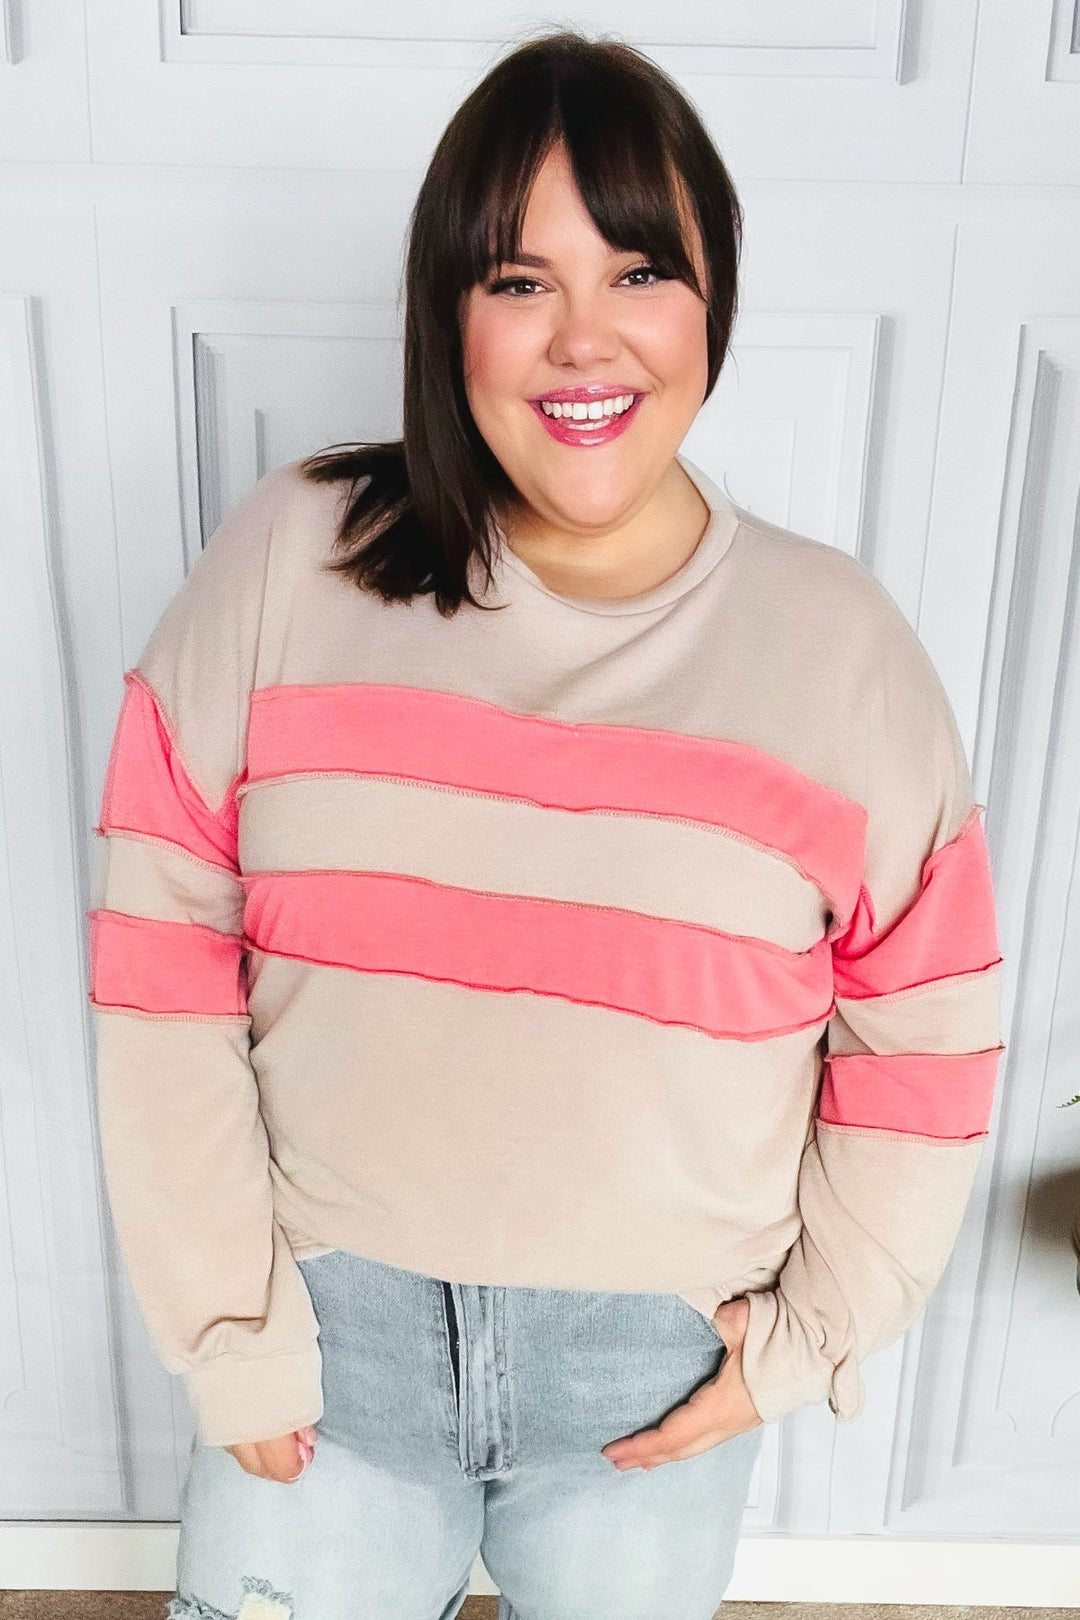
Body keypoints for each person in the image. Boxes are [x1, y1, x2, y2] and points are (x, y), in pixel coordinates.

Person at [86, 28, 1006, 1620]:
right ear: (448, 308)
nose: (586, 339)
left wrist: (812, 1338)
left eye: (640, 272)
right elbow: (157, 960)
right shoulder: (291, 560)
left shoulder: (841, 650)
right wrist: (230, 1332)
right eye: (520, 280)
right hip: (325, 1356)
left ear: (712, 299)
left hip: (651, 1385)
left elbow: (926, 1035)